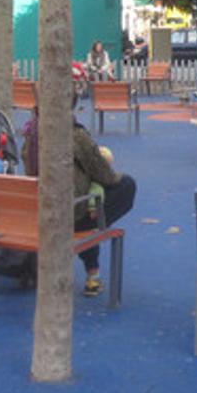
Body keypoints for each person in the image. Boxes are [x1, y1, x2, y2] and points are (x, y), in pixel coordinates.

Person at [72, 95, 136, 296]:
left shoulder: (32, 133)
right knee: (125, 186)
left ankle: (92, 271)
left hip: (32, 213)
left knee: (89, 204)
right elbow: (105, 175)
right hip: (70, 215)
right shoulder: (76, 136)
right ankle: (93, 272)